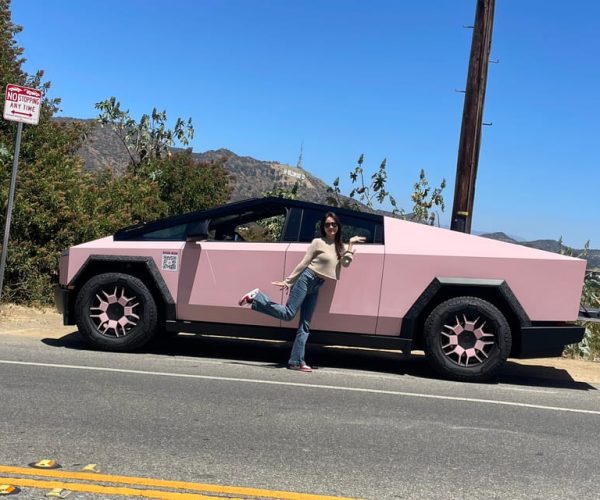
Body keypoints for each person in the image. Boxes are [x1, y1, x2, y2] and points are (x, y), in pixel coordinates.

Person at [238, 212, 366, 372]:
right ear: (323, 227)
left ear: (338, 226)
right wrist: (288, 281)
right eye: (327, 224)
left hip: (318, 285)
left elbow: (345, 264)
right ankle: (257, 297)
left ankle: (296, 361)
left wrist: (351, 245)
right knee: (288, 314)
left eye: (334, 224)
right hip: (307, 279)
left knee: (305, 325)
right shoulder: (318, 242)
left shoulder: (340, 246)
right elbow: (304, 263)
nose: (331, 227)